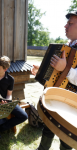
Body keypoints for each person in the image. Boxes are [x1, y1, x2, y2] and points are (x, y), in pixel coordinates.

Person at [32, 12, 77, 150]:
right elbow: (58, 73)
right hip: (57, 97)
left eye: (70, 23)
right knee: (48, 126)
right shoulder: (69, 46)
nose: (65, 26)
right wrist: (41, 71)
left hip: (72, 104)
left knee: (66, 138)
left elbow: (67, 71)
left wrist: (66, 70)